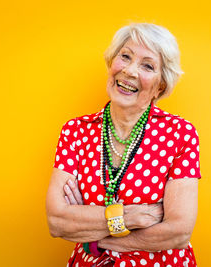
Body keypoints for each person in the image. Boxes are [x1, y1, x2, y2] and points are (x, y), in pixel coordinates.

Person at [46, 22, 202, 266]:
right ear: (111, 63)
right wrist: (130, 218)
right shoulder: (75, 132)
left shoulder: (180, 134)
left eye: (147, 65)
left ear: (160, 85)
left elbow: (178, 232)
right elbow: (57, 221)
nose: (130, 71)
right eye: (125, 57)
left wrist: (91, 239)